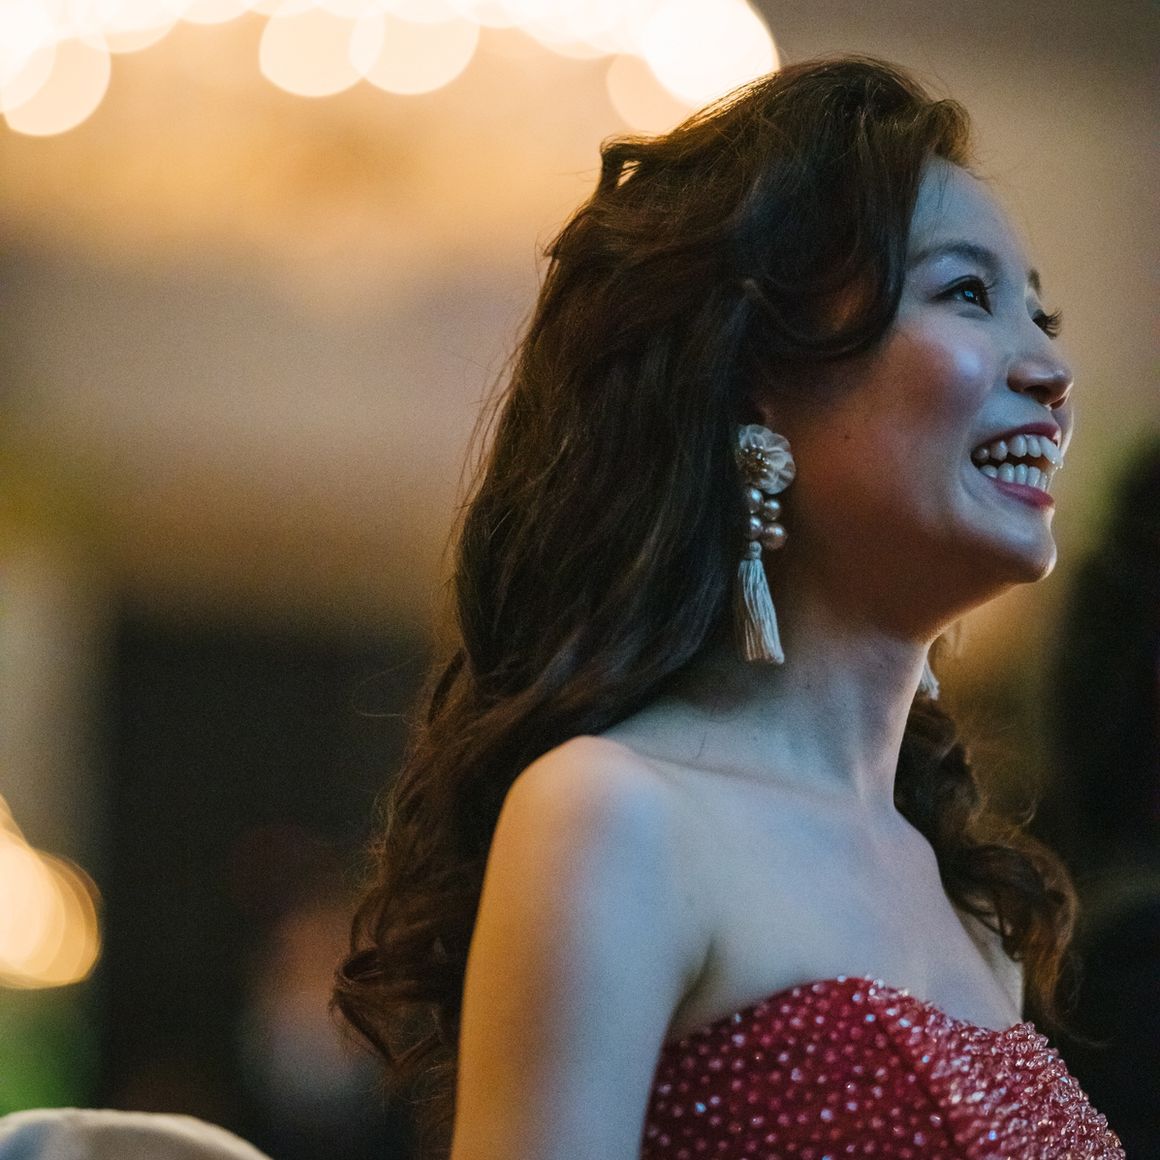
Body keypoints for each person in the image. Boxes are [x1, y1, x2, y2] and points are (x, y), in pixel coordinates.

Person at [334, 56, 1123, 1159]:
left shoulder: (971, 909)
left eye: (1040, 312)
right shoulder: (614, 816)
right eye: (966, 294)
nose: (1049, 369)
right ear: (753, 370)